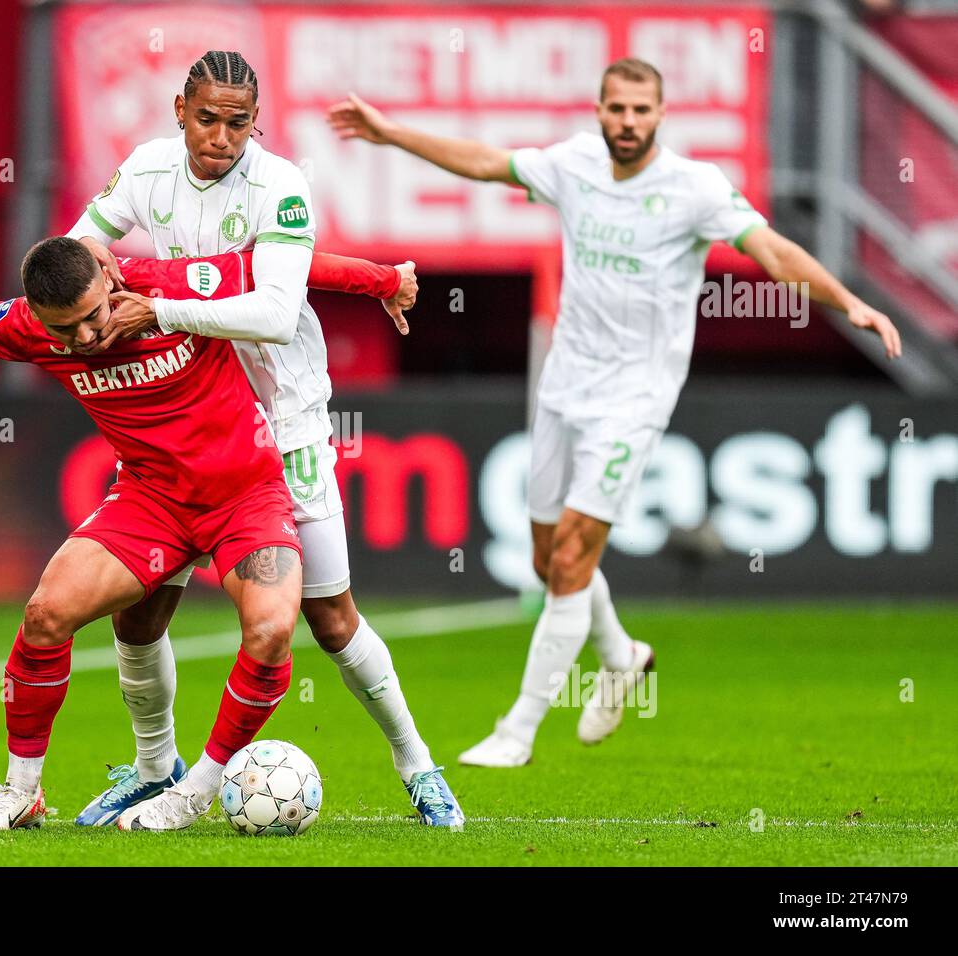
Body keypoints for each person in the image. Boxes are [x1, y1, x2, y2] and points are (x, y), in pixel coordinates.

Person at [327, 57, 902, 767]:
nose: (627, 122)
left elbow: (772, 251)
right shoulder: (573, 166)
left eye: (640, 110)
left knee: (571, 554)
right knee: (547, 560)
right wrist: (391, 134)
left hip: (635, 400)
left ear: (661, 115)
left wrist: (849, 303)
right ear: (599, 111)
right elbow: (485, 162)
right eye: (616, 109)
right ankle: (621, 655)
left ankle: (518, 730)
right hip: (564, 388)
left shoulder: (695, 189)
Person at [0, 239, 414, 830]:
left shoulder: (174, 282)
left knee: (272, 631)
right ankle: (23, 792)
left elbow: (293, 263)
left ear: (108, 275)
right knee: (46, 613)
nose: (86, 336)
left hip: (245, 495)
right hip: (150, 500)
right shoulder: (22, 326)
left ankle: (191, 795)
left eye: (95, 316)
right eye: (64, 328)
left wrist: (386, 280)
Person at [66, 50, 464, 829]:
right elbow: (81, 254)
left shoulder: (280, 185)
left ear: (258, 121)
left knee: (331, 619)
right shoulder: (146, 172)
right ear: (180, 108)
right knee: (140, 614)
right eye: (206, 117)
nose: (220, 136)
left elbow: (278, 309)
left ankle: (418, 765)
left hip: (284, 426)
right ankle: (155, 771)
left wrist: (158, 304)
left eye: (237, 122)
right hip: (182, 429)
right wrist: (106, 268)